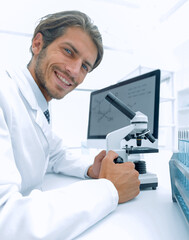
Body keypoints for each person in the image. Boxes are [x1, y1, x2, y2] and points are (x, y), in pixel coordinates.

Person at [0, 10, 140, 239]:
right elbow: (6, 220)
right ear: (38, 44)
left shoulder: (38, 102)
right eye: (68, 51)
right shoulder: (4, 94)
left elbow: (55, 154)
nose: (74, 71)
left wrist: (91, 170)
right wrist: (109, 189)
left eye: (85, 66)